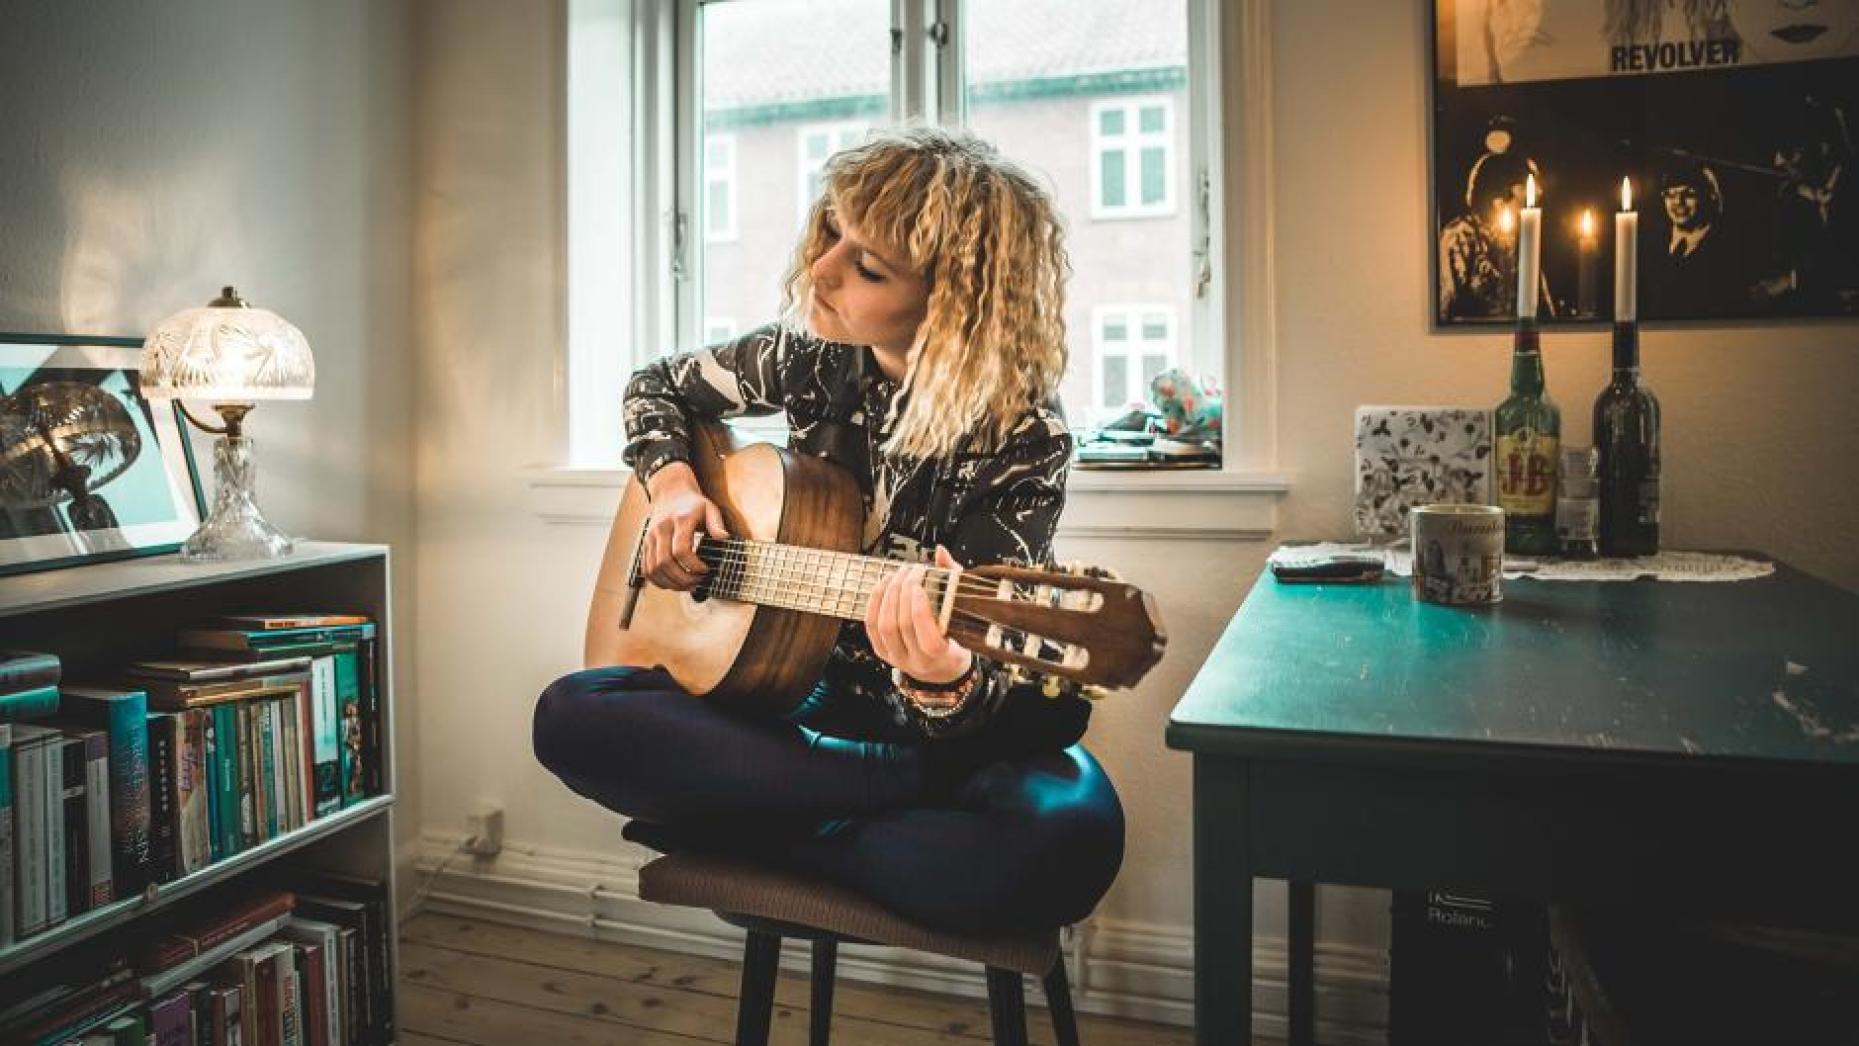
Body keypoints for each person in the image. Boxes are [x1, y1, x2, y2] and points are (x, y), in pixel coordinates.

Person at [532, 126, 1124, 934]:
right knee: (573, 714)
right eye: (831, 231)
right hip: (792, 706)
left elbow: (980, 697)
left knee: (1068, 842)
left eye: (867, 266)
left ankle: (760, 833)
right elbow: (655, 385)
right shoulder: (811, 357)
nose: (821, 268)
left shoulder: (1024, 434)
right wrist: (672, 488)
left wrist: (939, 676)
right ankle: (870, 805)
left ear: (952, 300)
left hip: (909, 725)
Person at [1440, 126, 1553, 320]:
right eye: (1526, 186)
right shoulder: (1459, 235)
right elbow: (1446, 310)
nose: (1538, 193)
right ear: (1499, 197)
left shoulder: (1525, 239)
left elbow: (1543, 311)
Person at [1643, 159, 1748, 317]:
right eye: (1670, 194)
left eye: (1689, 194)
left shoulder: (1727, 248)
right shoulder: (1651, 243)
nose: (1678, 201)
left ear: (1710, 195)